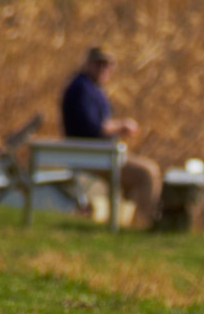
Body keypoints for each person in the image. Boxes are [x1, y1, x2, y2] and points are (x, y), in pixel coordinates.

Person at [60, 47, 162, 228]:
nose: (103, 69)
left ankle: (126, 223)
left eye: (107, 65)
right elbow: (93, 126)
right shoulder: (81, 88)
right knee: (148, 173)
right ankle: (141, 226)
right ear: (88, 63)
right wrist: (121, 126)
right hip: (90, 155)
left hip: (101, 153)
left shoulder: (93, 88)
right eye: (99, 64)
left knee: (143, 175)